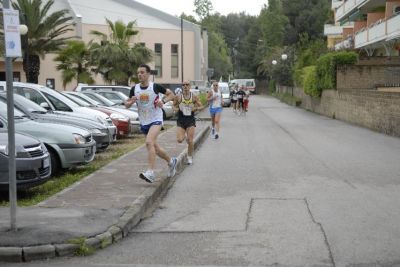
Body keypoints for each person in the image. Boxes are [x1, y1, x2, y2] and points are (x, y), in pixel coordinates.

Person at [125, 64, 177, 183]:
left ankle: (151, 173)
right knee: (155, 148)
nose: (140, 75)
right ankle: (171, 162)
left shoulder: (155, 87)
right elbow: (127, 105)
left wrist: (162, 101)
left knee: (149, 142)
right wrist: (130, 102)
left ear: (148, 74)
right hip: (144, 121)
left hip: (156, 119)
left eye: (142, 72)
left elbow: (171, 94)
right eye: (138, 72)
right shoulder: (134, 89)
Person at [173, 81, 203, 165]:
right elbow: (173, 106)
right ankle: (185, 135)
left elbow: (201, 106)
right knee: (179, 140)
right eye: (183, 85)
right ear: (182, 87)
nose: (185, 86)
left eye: (187, 85)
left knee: (190, 141)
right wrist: (176, 109)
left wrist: (195, 108)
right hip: (181, 120)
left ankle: (189, 157)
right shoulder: (178, 97)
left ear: (190, 86)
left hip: (190, 120)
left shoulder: (194, 97)